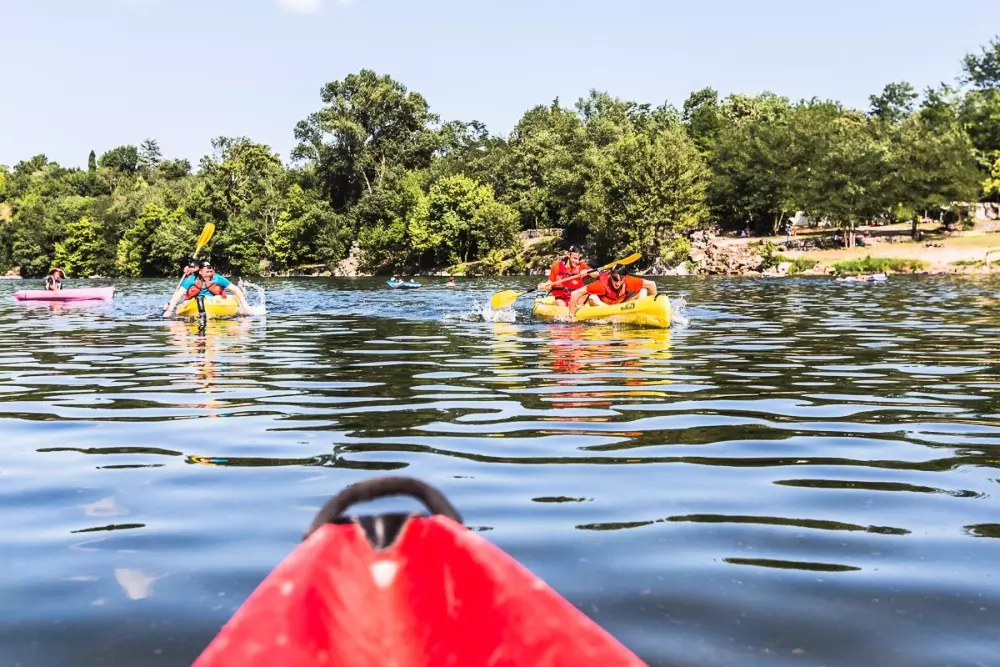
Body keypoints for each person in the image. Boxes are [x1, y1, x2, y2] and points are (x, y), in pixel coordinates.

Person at [162, 259, 250, 317]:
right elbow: (179, 294)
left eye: (211, 271)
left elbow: (235, 289)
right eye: (207, 272)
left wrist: (245, 305)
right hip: (195, 301)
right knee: (184, 302)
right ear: (200, 272)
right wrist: (170, 310)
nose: (209, 274)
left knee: (220, 297)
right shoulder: (191, 279)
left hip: (215, 300)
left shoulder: (217, 278)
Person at [568, 263, 657, 318]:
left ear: (625, 277)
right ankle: (613, 313)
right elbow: (574, 293)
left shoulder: (629, 280)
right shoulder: (601, 284)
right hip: (604, 306)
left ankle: (642, 313)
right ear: (611, 276)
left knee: (643, 291)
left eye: (621, 279)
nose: (617, 283)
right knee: (592, 298)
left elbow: (652, 284)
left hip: (622, 305)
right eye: (615, 279)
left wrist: (653, 305)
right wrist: (571, 317)